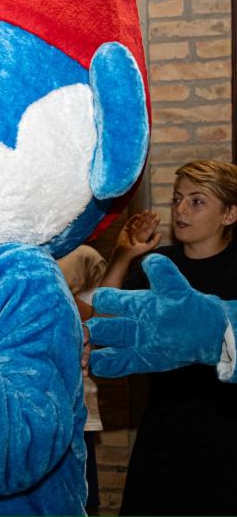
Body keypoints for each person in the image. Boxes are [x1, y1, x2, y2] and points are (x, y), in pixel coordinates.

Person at [97, 159, 237, 515]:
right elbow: (106, 317)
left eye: (197, 200)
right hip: (165, 422)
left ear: (229, 214)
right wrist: (124, 255)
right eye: (177, 199)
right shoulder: (161, 264)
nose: (181, 209)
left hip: (227, 428)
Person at [56, 245, 107, 515]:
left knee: (79, 500)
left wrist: (68, 301)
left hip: (76, 408)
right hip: (25, 409)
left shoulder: (83, 256)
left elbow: (105, 320)